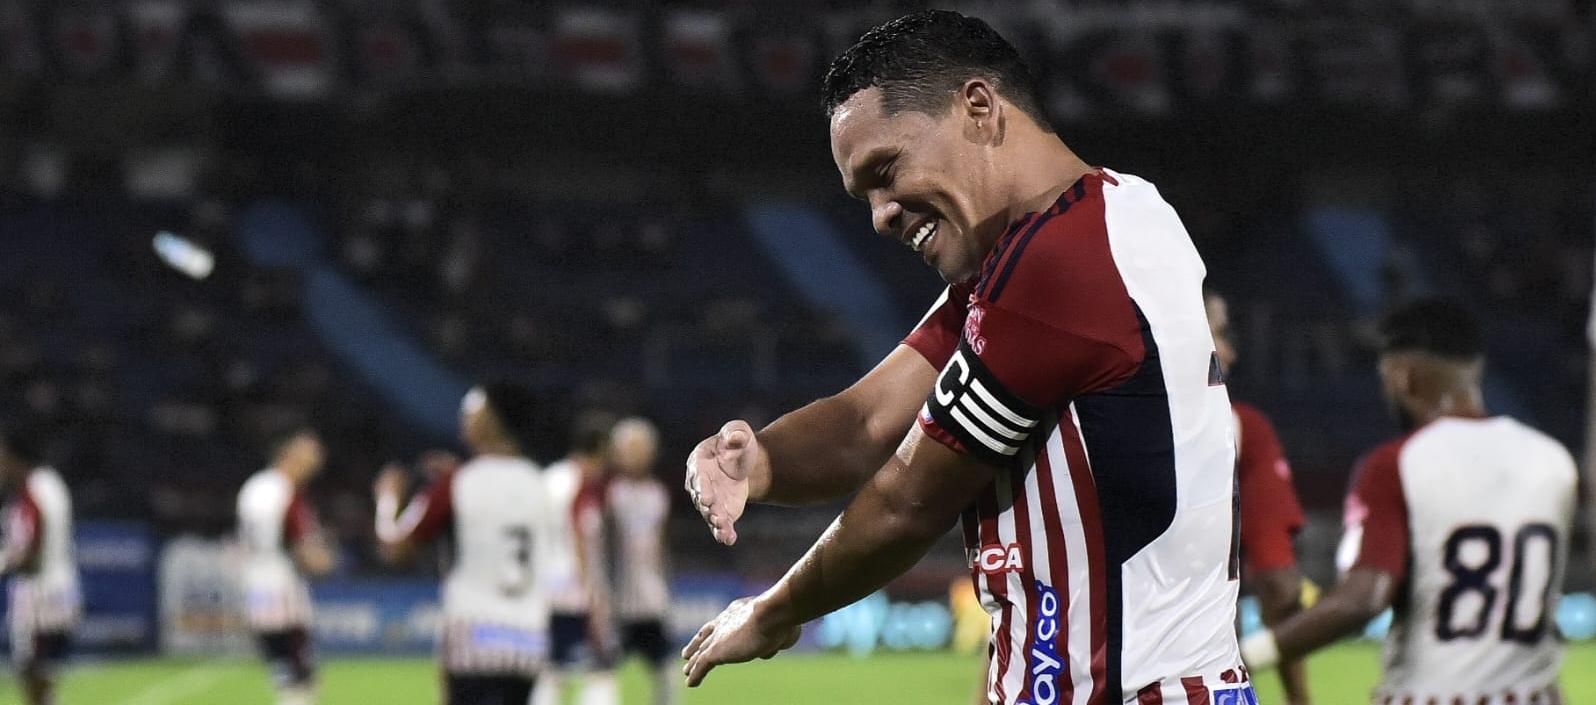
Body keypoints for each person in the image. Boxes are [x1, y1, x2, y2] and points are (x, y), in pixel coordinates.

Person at [682, 10, 1248, 704]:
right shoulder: (1115, 215)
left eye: (886, 171)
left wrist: (772, 611)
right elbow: (866, 419)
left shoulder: (1058, 264)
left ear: (979, 107)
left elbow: (906, 502)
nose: (882, 215)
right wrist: (760, 462)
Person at [1241, 299, 1577, 704]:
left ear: (1403, 377)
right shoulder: (1552, 459)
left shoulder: (1396, 463)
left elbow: (1363, 599)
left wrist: (1247, 655)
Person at [374, 382, 556, 705]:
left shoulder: (458, 484)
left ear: (490, 422)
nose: (464, 419)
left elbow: (395, 547)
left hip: (474, 637)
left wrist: (387, 499)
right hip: (527, 639)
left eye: (471, 412)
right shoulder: (538, 483)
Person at [1206, 290, 1311, 704]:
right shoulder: (1238, 429)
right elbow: (1280, 586)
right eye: (1218, 333)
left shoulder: (1074, 419)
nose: (1229, 352)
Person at [237, 428, 335, 705]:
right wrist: (327, 560)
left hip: (255, 587)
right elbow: (309, 554)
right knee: (301, 679)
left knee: (281, 671)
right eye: (309, 457)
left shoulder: (254, 486)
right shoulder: (287, 492)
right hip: (281, 590)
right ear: (290, 456)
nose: (314, 465)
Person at [532, 412, 619, 705]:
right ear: (601, 448)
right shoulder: (582, 482)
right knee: (601, 671)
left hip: (544, 587)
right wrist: (591, 591)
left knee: (552, 671)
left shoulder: (549, 478)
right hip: (575, 590)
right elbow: (578, 534)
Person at [0, 425, 80, 705]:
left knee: (31, 674)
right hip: (63, 589)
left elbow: (32, 554)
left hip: (39, 597)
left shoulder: (33, 490)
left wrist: (3, 564)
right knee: (43, 678)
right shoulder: (50, 483)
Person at [606, 417, 676, 705]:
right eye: (628, 448)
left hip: (650, 598)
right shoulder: (609, 494)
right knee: (601, 669)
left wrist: (664, 584)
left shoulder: (657, 494)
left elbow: (661, 546)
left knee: (665, 669)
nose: (635, 455)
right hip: (615, 599)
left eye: (641, 448)